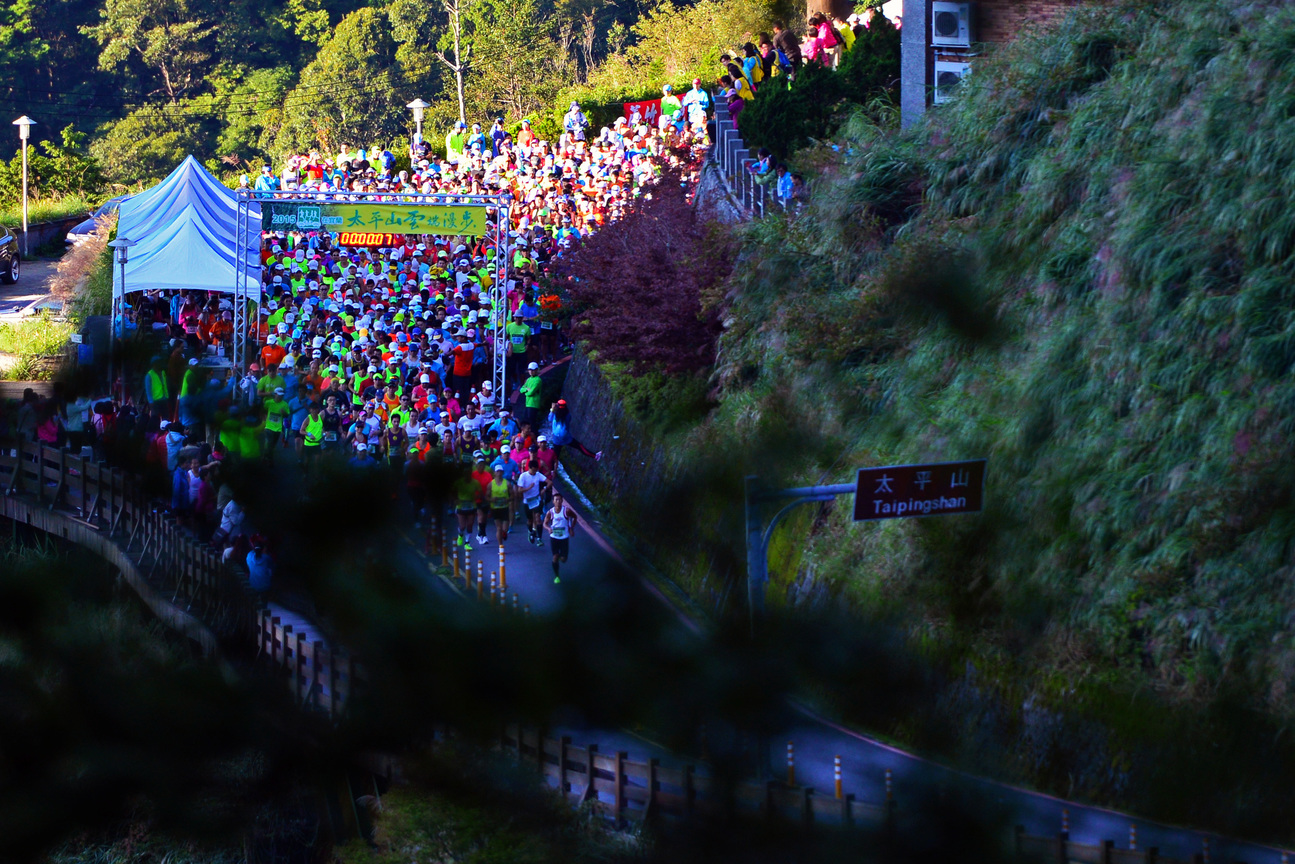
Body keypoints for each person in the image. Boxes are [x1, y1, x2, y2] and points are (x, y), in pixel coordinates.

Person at [543, 492, 578, 584]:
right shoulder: (550, 512)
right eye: (556, 500)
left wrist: (571, 528)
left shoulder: (566, 511)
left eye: (559, 500)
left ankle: (560, 557)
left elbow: (575, 517)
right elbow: (545, 523)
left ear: (562, 501)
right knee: (555, 557)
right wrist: (548, 528)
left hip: (564, 538)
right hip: (554, 537)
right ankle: (557, 576)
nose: (558, 501)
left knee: (563, 559)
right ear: (553, 501)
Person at [517, 460, 548, 546]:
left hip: (536, 499)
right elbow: (519, 490)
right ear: (529, 468)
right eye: (533, 470)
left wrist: (544, 489)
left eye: (536, 470)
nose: (534, 472)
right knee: (530, 519)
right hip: (527, 501)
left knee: (538, 517)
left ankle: (539, 538)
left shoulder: (538, 475)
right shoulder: (523, 476)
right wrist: (529, 488)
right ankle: (530, 531)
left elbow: (549, 482)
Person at [487, 465, 512, 545]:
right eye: (497, 471)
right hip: (495, 508)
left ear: (503, 472)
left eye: (500, 471)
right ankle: (500, 546)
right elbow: (486, 497)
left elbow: (513, 495)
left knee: (505, 529)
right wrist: (492, 499)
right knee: (499, 528)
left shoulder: (507, 483)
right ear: (494, 473)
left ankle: (504, 533)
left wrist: (507, 499)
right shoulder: (491, 484)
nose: (499, 473)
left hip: (504, 507)